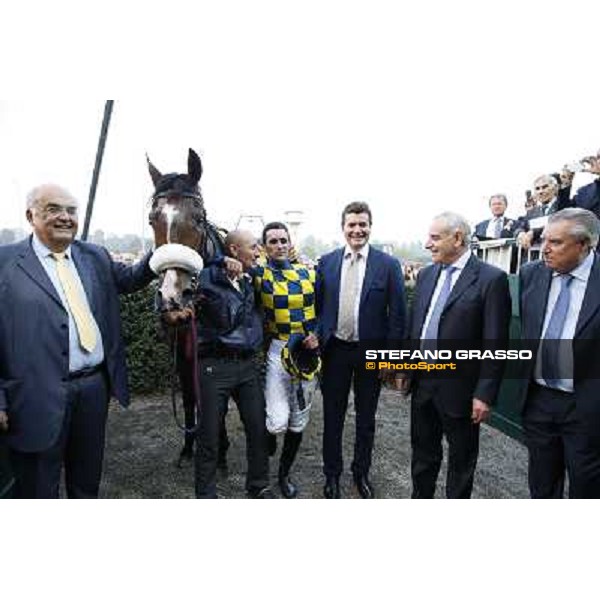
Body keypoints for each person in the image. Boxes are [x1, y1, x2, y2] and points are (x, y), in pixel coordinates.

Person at [0, 183, 156, 498]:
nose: (65, 217)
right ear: (31, 215)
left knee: (86, 484)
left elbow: (128, 279)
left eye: (71, 211)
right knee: (37, 490)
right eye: (53, 209)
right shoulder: (5, 262)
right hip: (32, 395)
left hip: (93, 390)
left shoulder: (94, 255)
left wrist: (164, 250)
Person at [404, 212, 511, 498]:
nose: (427, 244)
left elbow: (496, 344)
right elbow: (417, 325)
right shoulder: (427, 275)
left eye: (435, 238)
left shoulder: (491, 279)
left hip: (461, 390)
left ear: (458, 238)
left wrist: (485, 394)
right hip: (423, 382)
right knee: (423, 457)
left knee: (461, 464)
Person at [316, 201, 406, 499]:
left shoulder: (388, 264)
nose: (357, 230)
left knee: (366, 419)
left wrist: (391, 360)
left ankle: (361, 473)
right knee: (333, 417)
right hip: (335, 352)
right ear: (343, 228)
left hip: (371, 355)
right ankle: (332, 475)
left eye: (362, 224)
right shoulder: (326, 262)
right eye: (352, 224)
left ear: (370, 226)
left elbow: (398, 318)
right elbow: (317, 309)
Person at [518, 208, 600, 498]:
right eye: (544, 240)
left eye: (556, 243)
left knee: (586, 489)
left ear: (584, 245)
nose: (545, 250)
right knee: (541, 487)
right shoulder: (530, 275)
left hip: (587, 408)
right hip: (539, 401)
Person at [193, 230, 271, 499]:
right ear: (234, 251)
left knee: (258, 428)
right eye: (253, 246)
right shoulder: (207, 277)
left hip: (248, 366)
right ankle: (205, 495)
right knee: (209, 436)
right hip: (215, 367)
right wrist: (217, 262)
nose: (259, 250)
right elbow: (189, 266)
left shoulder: (251, 278)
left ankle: (259, 485)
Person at [253, 222, 319, 499]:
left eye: (283, 240)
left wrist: (317, 334)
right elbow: (227, 262)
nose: (279, 245)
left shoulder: (309, 271)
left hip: (306, 351)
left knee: (298, 421)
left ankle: (284, 475)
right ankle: (268, 440)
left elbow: (325, 309)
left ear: (290, 242)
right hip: (279, 350)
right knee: (276, 421)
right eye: (273, 241)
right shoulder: (258, 273)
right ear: (264, 247)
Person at [516, 175, 569, 250]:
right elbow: (520, 227)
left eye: (545, 187)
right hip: (533, 257)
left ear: (555, 188)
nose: (541, 191)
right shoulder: (532, 212)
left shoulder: (563, 206)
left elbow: (557, 224)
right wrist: (520, 234)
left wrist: (534, 233)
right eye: (537, 189)